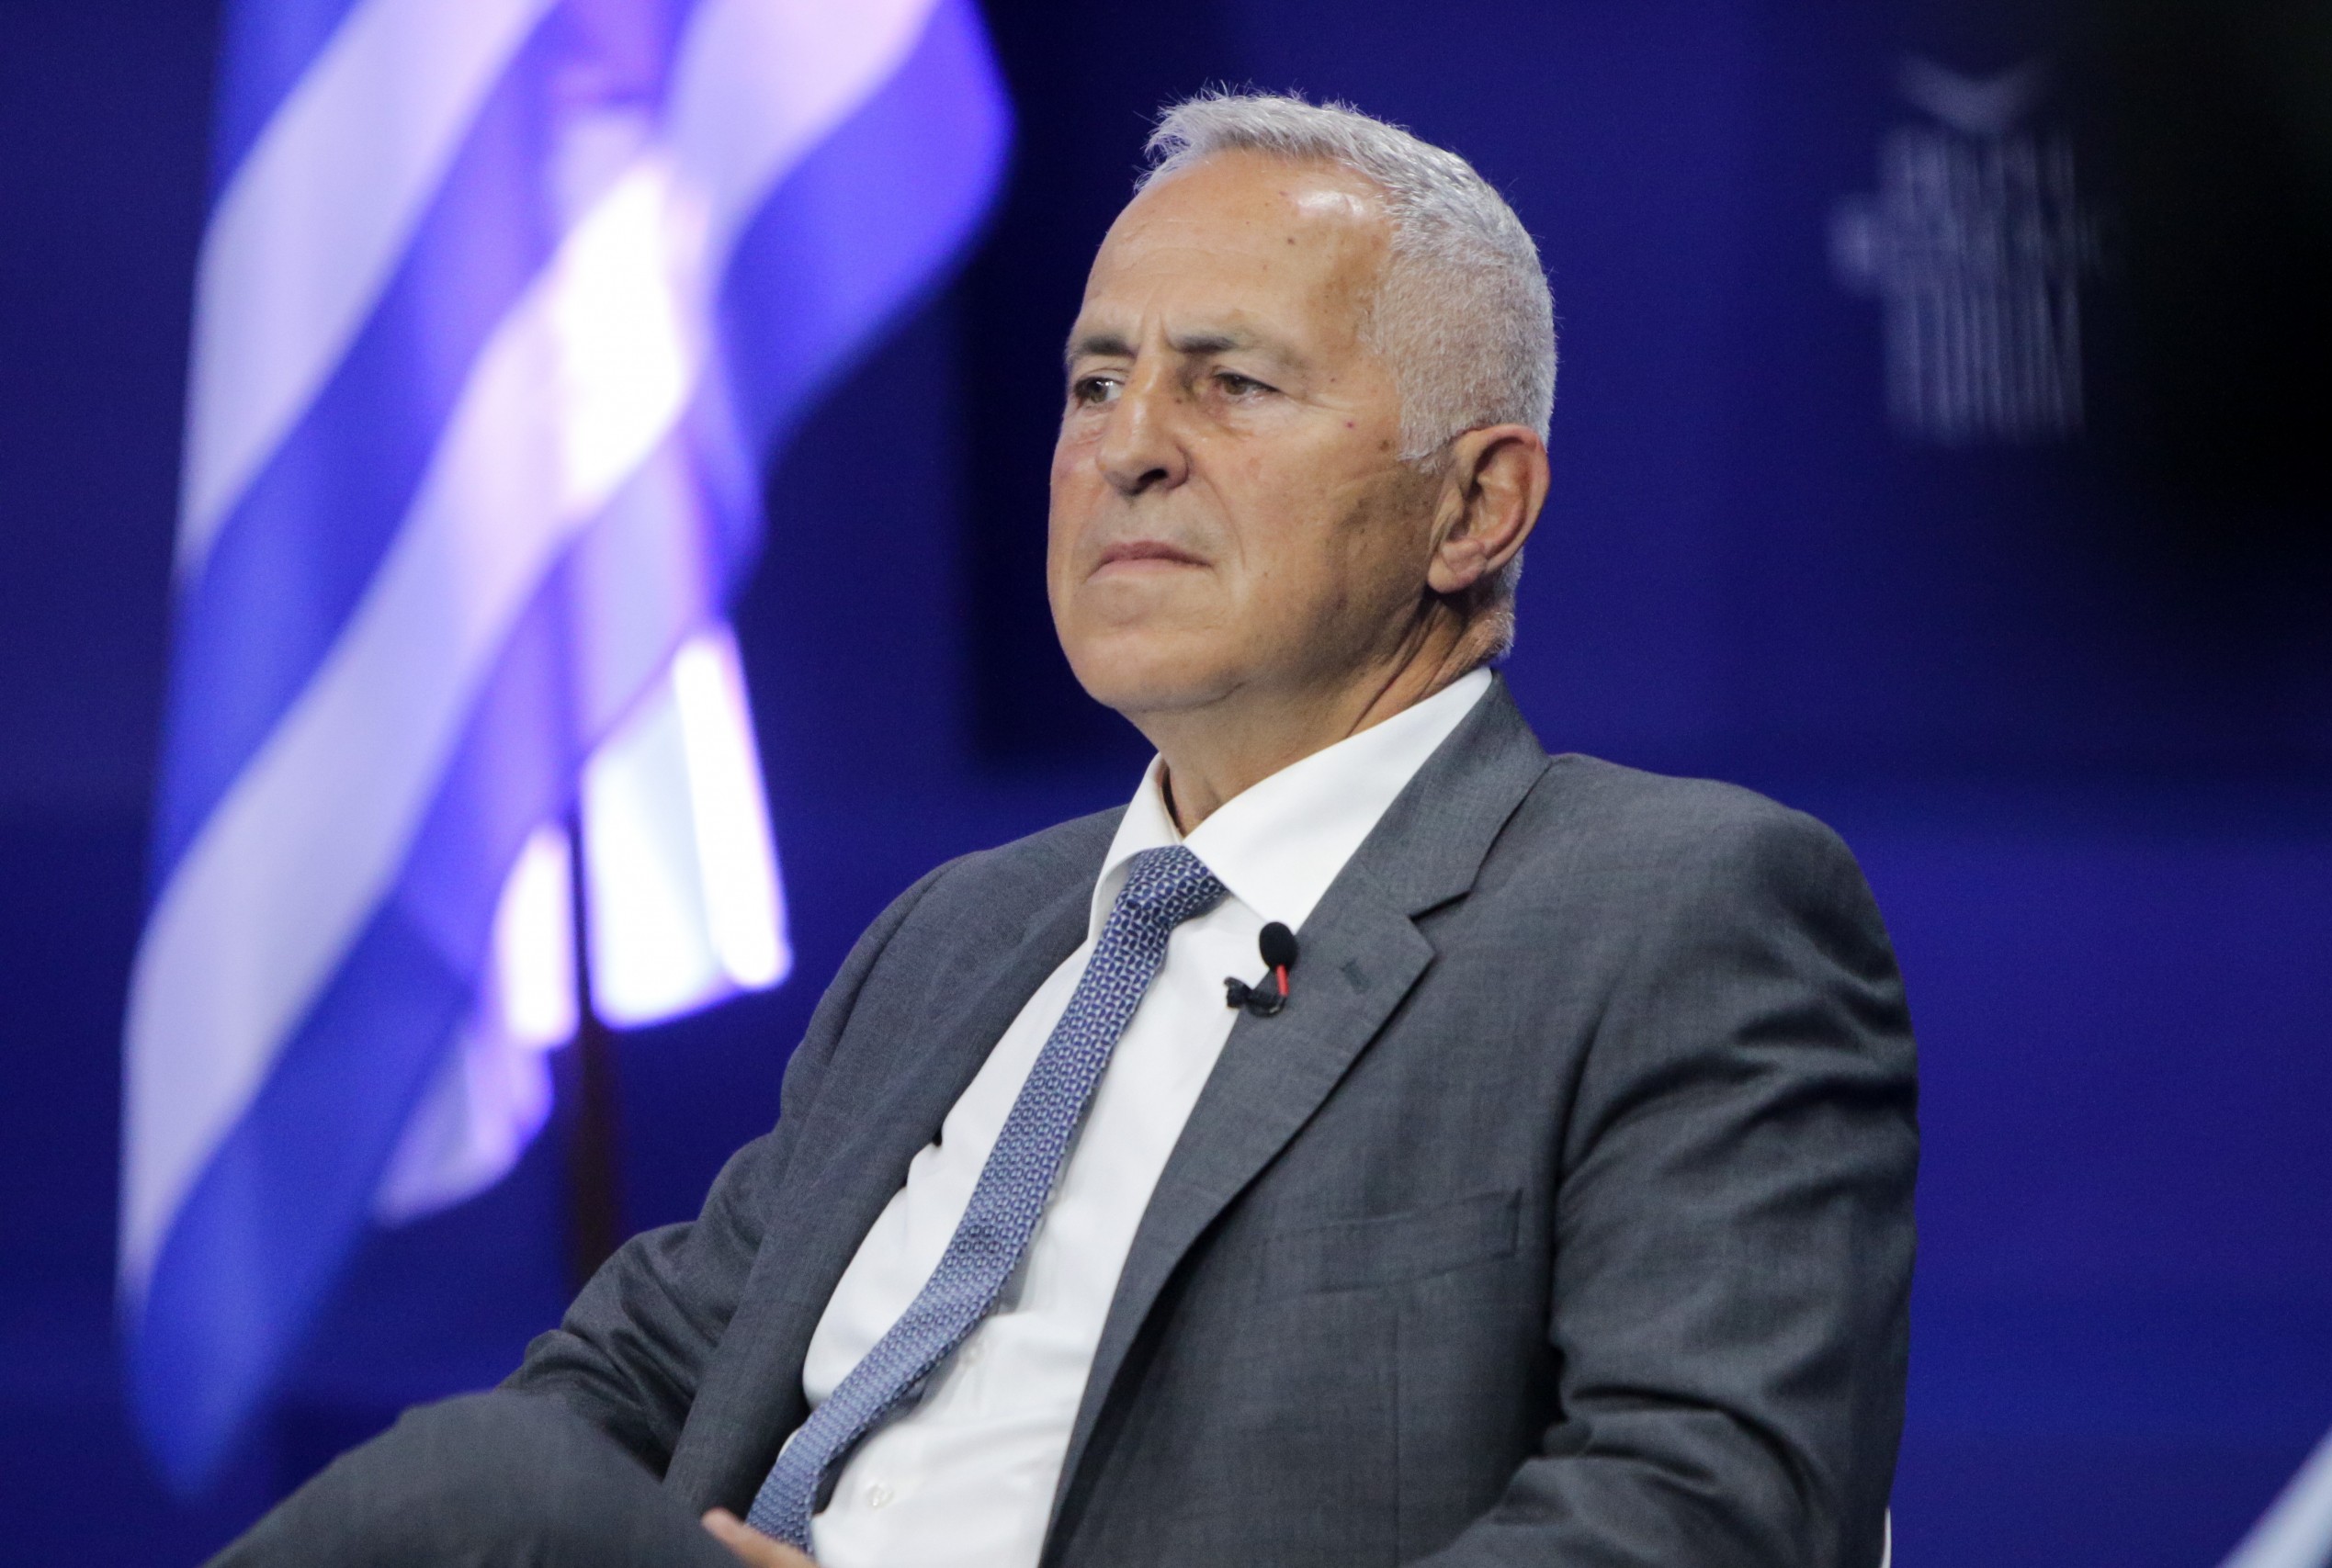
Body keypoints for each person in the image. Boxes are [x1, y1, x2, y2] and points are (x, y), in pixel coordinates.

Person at [215, 91, 1917, 1568]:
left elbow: (1712, 1514)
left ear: (1476, 505)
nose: (1127, 449)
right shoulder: (962, 935)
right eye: (1096, 382)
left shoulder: (1670, 913)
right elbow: (628, 1382)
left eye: (1230, 384)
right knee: (486, 1482)